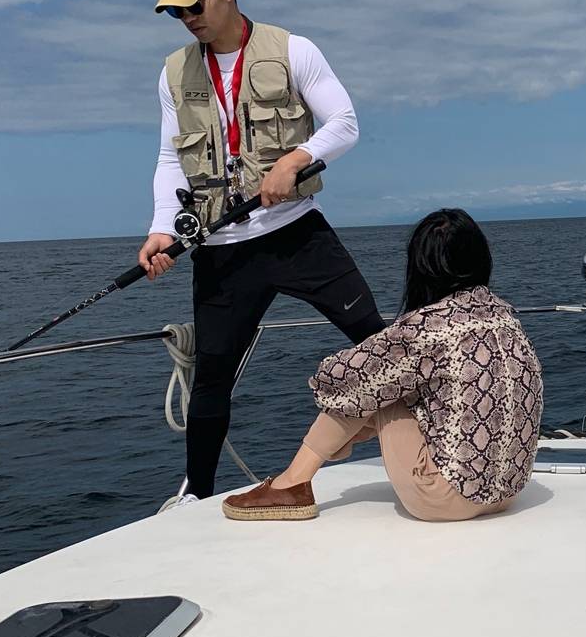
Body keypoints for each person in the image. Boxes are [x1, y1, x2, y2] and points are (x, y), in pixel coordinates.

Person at [137, 0, 387, 503]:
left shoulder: (293, 50)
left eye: (195, 4)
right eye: (177, 11)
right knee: (211, 382)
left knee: (379, 342)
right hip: (221, 247)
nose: (188, 19)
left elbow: (344, 122)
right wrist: (160, 226)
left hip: (298, 233)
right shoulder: (173, 72)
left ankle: (440, 445)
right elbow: (168, 158)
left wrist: (295, 161)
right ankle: (196, 499)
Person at [222, 209, 543, 523]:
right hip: (508, 491)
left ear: (421, 265)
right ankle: (315, 463)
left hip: (445, 499)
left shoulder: (429, 326)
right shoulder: (504, 315)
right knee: (391, 383)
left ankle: (291, 483)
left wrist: (351, 412)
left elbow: (339, 380)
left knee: (370, 383)